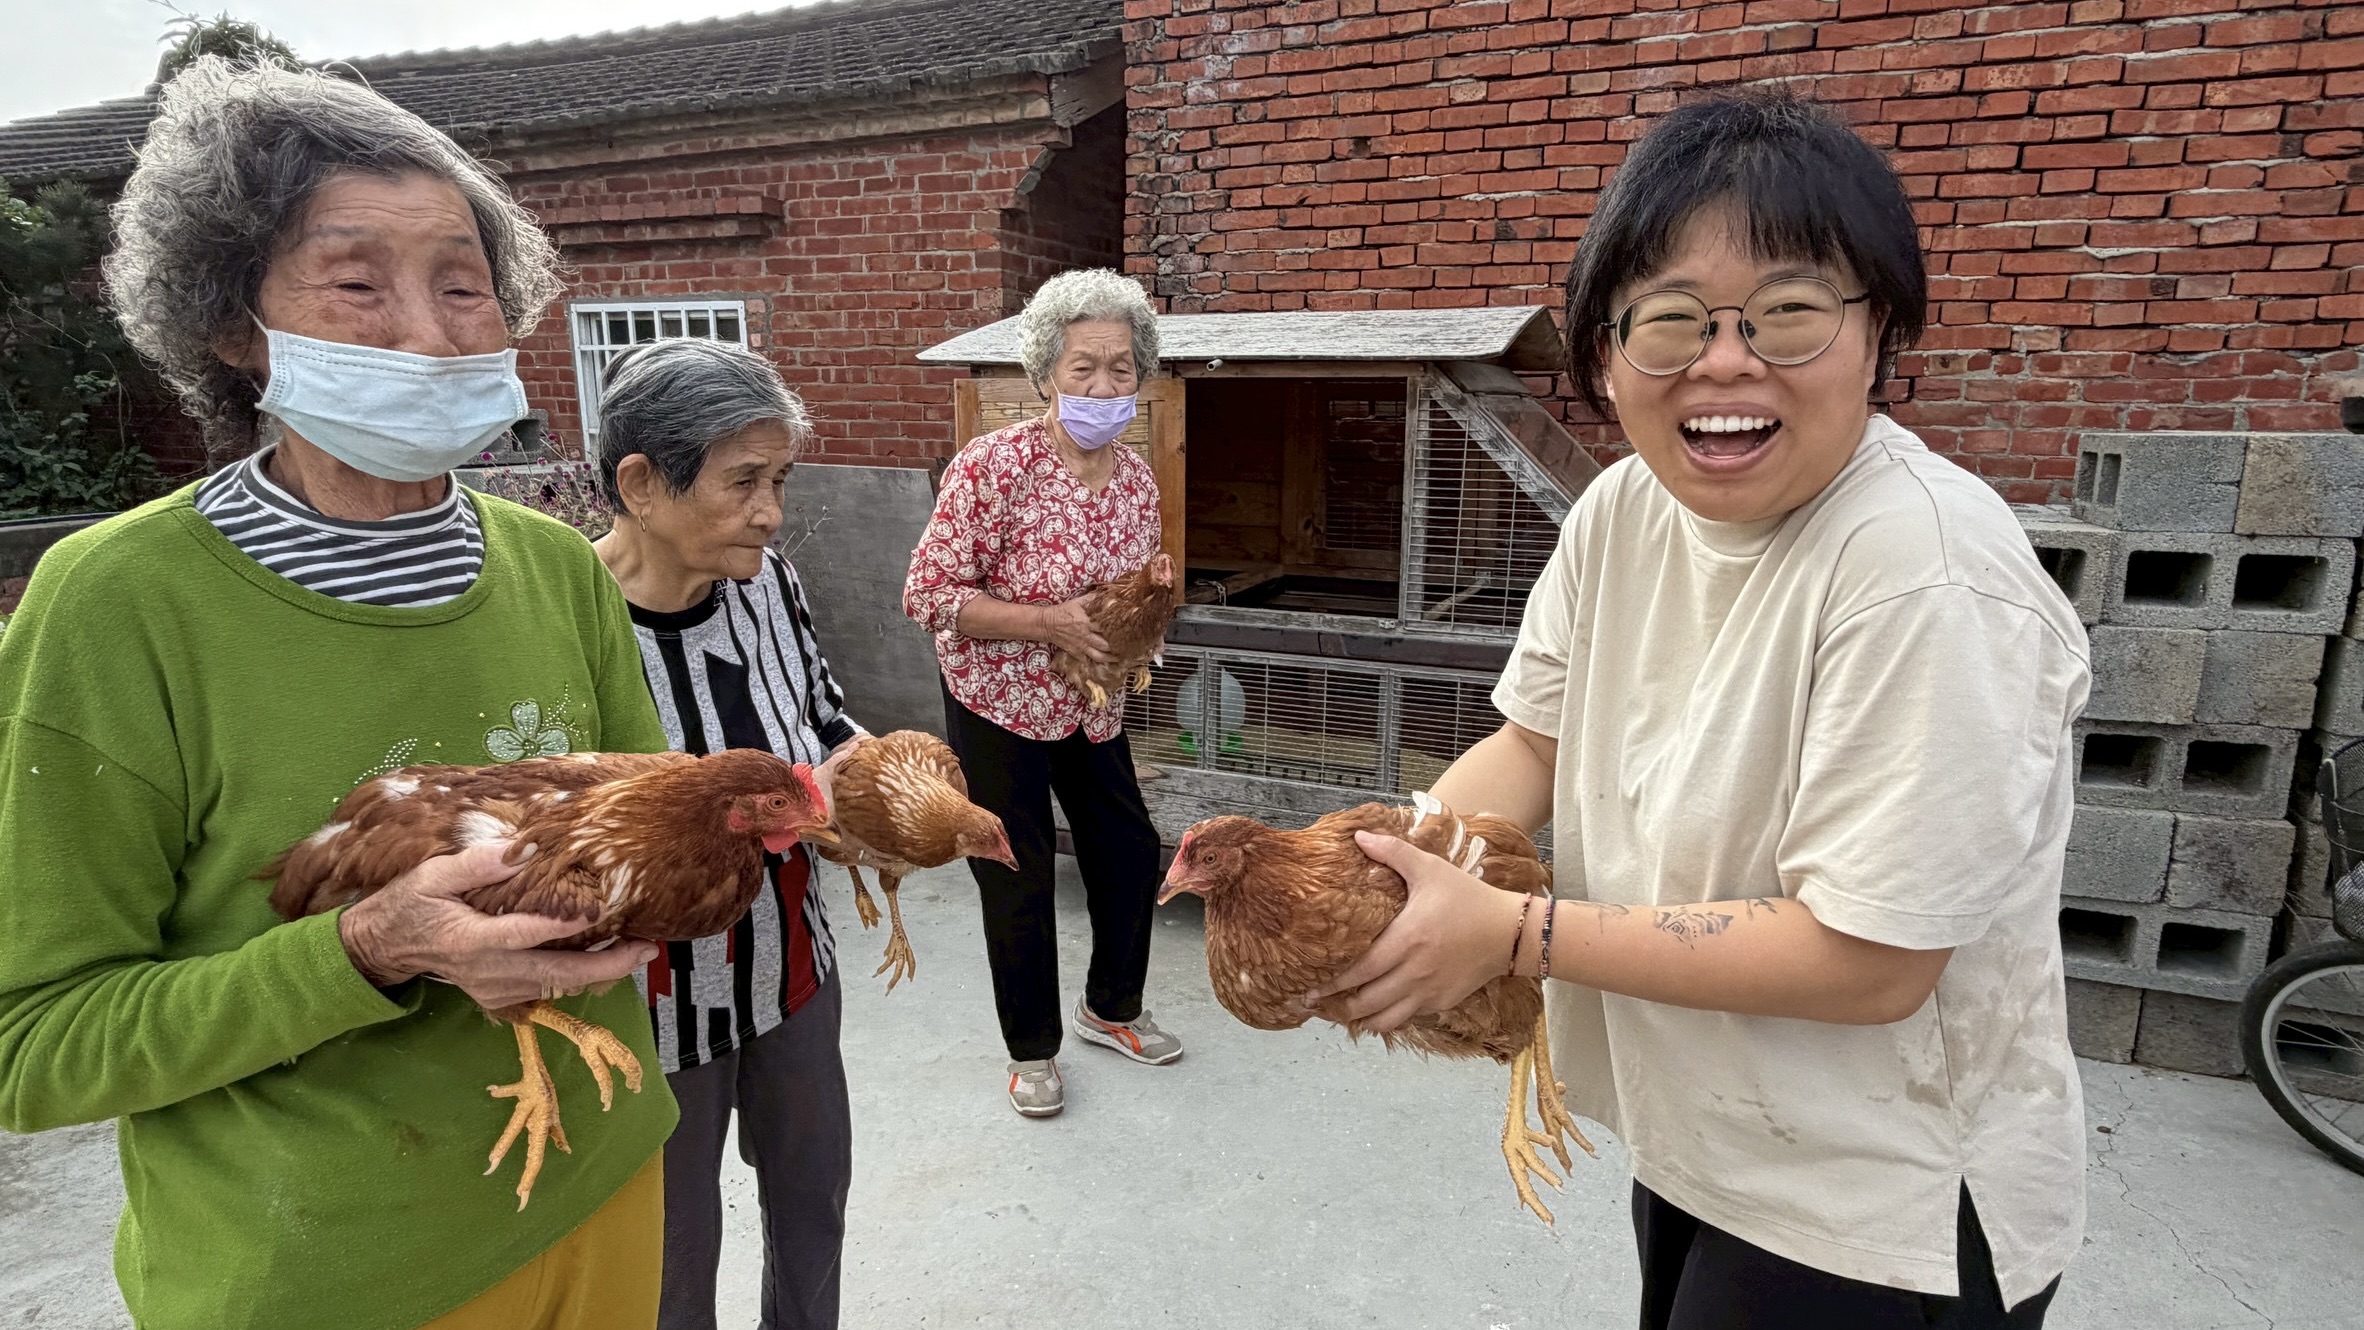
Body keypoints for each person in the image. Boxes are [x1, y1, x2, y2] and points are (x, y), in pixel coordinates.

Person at [1313, 90, 2087, 1329]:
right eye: (1670, 320)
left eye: (1787, 311)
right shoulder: (1625, 511)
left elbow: (1874, 958)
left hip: (1878, 1206)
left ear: (1879, 328)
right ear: (1609, 356)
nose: (1725, 360)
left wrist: (1514, 933)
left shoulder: (1926, 572)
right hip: (1708, 1139)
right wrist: (1371, 875)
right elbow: (1533, 742)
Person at [0, 59, 676, 1330]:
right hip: (325, 1271)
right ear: (234, 326)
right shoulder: (115, 605)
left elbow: (639, 837)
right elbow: (32, 1042)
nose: (428, 331)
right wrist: (365, 951)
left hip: (603, 1179)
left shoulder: (553, 565)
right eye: (356, 283)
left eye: (463, 283)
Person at [589, 339, 859, 1330]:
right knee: (670, 1254)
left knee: (812, 1203)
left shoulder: (768, 587)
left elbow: (829, 721)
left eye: (779, 479)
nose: (772, 512)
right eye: (745, 481)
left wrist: (868, 786)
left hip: (792, 973)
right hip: (652, 1016)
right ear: (642, 483)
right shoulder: (567, 627)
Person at [903, 268, 1181, 1117]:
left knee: (1129, 854)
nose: (1103, 385)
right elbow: (928, 594)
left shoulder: (1136, 482)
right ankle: (1032, 1048)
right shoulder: (994, 466)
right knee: (1014, 873)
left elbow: (1132, 591)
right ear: (1045, 375)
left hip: (1093, 702)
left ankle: (1111, 1009)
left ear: (1142, 376)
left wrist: (1151, 602)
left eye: (1121, 369)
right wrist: (1046, 622)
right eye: (1082, 368)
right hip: (997, 702)